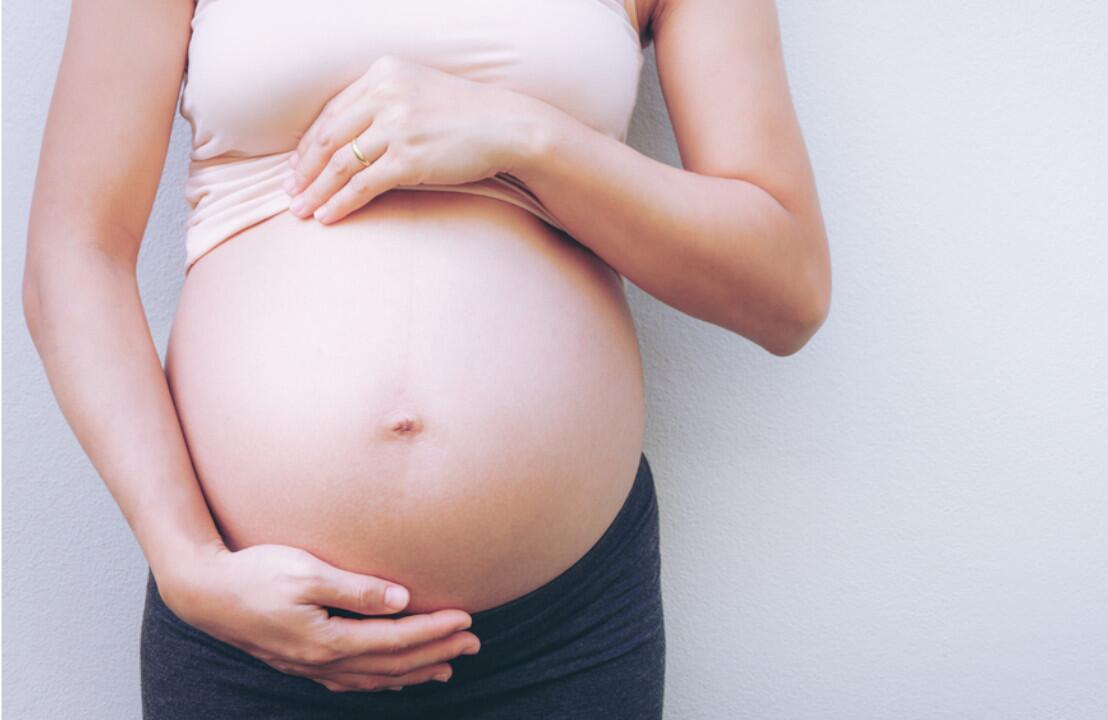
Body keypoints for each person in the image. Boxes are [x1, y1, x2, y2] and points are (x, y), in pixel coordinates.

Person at [22, 0, 830, 716]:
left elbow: (785, 286)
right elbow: (75, 250)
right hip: (248, 625)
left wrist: (525, 138)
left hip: (562, 632)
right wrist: (186, 563)